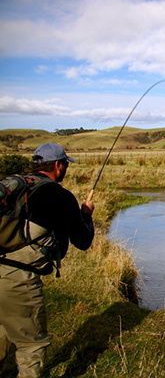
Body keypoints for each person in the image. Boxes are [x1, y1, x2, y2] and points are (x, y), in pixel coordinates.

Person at [0, 143, 95, 378]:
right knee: (32, 345)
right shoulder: (59, 196)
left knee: (3, 331)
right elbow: (82, 241)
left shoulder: (17, 186)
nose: (66, 169)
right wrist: (86, 215)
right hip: (18, 279)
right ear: (57, 165)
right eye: (65, 164)